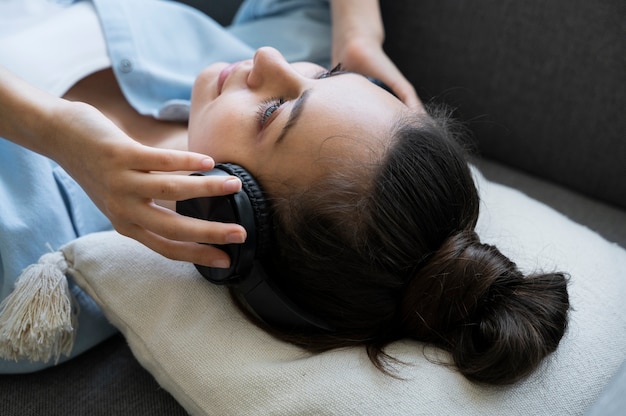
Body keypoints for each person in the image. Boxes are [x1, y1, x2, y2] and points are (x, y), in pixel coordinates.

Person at [0, 0, 569, 384]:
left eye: (273, 112)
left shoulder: (27, 264)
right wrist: (358, 32)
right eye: (329, 73)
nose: (271, 63)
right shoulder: (264, 62)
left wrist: (48, 127)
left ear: (228, 213)